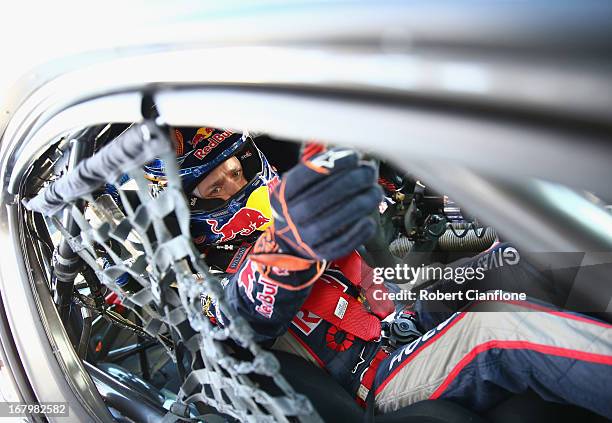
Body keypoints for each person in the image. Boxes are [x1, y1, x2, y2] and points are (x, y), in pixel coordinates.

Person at [145, 126, 612, 419]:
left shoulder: (319, 202)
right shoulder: (209, 279)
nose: (237, 184)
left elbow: (416, 220)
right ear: (187, 208)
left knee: (535, 251)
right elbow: (240, 317)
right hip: (381, 377)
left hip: (418, 310)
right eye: (214, 187)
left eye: (237, 169)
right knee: (493, 334)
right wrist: (292, 243)